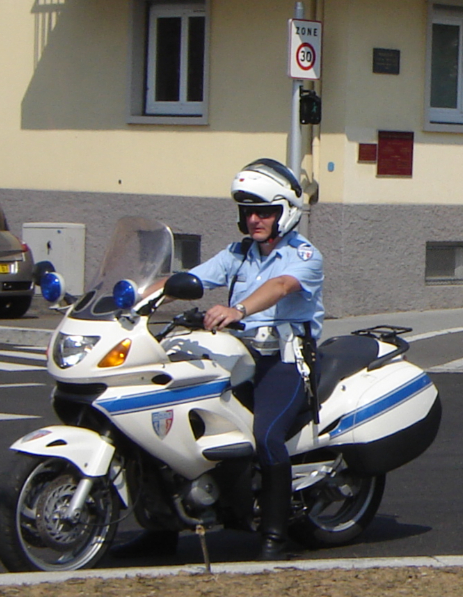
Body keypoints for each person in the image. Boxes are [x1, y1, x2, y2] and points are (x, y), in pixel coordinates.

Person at [113, 158, 324, 562]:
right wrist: (131, 300)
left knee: (267, 436)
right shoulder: (238, 253)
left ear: (285, 212)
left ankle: (275, 535)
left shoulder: (304, 255)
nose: (255, 219)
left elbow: (281, 286)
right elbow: (187, 280)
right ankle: (161, 532)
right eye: (248, 211)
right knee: (161, 422)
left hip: (282, 361)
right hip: (235, 355)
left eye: (265, 211)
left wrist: (238, 309)